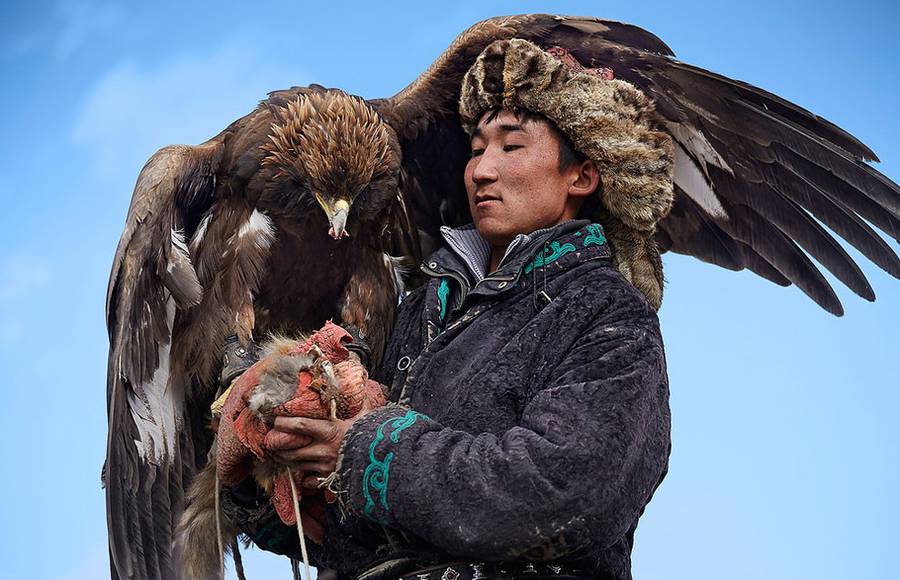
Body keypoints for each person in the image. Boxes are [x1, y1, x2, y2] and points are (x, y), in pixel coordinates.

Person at [223, 39, 672, 580]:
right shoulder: (419, 312)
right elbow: (343, 533)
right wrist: (266, 465)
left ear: (581, 176)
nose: (481, 169)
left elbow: (564, 491)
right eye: (477, 149)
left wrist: (368, 452)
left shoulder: (607, 315)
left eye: (510, 147)